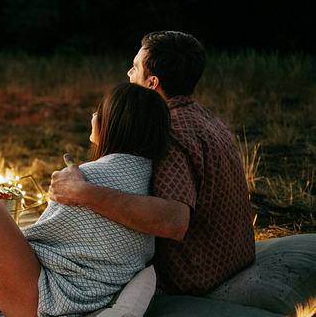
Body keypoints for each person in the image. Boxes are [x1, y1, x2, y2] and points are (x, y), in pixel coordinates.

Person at [50, 31, 255, 295]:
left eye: (135, 68)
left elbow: (173, 221)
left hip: (194, 274)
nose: (128, 73)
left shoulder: (169, 131)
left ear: (151, 83)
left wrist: (83, 192)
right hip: (232, 258)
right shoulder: (204, 118)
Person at [0, 83, 171, 316]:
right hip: (87, 297)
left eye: (100, 111)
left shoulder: (88, 178)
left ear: (114, 124)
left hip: (46, 302)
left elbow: (37, 238)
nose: (93, 116)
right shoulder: (149, 184)